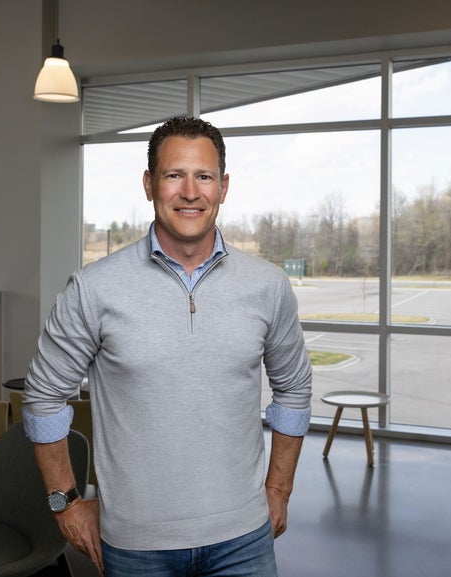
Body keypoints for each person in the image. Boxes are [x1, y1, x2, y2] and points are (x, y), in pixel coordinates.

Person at [22, 116, 313, 577]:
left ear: (224, 186)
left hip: (244, 539)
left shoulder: (268, 286)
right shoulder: (93, 288)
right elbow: (42, 398)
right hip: (136, 546)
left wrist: (279, 489)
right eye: (174, 174)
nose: (190, 191)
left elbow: (294, 391)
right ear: (149, 184)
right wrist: (65, 503)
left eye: (205, 176)